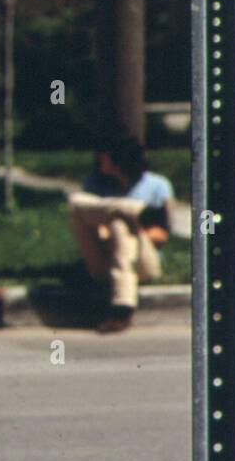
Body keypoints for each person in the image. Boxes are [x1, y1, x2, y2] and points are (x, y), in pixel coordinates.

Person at [68, 135, 176, 334]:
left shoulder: (158, 185)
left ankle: (122, 307)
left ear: (117, 159)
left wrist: (133, 230)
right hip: (104, 258)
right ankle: (133, 210)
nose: (98, 159)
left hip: (142, 263)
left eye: (103, 156)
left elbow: (162, 235)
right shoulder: (95, 184)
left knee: (120, 226)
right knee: (76, 201)